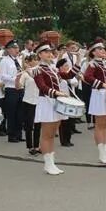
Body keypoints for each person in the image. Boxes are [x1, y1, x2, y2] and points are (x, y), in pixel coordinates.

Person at [32, 41, 80, 175]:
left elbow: (69, 75)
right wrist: (57, 93)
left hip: (56, 101)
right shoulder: (38, 69)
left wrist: (79, 60)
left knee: (53, 134)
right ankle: (47, 164)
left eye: (50, 52)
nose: (49, 54)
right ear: (40, 55)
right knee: (47, 134)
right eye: (46, 52)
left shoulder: (52, 68)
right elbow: (42, 86)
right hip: (46, 102)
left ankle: (51, 162)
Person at [83, 39, 106, 164]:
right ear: (93, 52)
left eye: (103, 49)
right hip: (99, 94)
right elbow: (87, 77)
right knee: (100, 125)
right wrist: (102, 84)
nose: (103, 50)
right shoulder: (93, 64)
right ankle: (101, 153)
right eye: (100, 49)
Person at [0, 40, 24, 143]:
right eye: (14, 48)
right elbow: (3, 76)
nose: (17, 50)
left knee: (20, 113)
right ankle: (11, 135)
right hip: (11, 89)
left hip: (20, 89)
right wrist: (15, 79)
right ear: (9, 50)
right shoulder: (5, 61)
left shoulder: (19, 60)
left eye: (17, 48)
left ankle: (18, 134)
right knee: (11, 113)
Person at [17, 53, 41, 155]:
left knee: (38, 125)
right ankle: (30, 147)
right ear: (29, 62)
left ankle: (37, 146)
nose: (36, 61)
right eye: (34, 60)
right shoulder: (25, 74)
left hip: (39, 101)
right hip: (28, 101)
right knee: (29, 125)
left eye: (37, 59)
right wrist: (18, 76)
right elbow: (18, 86)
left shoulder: (39, 71)